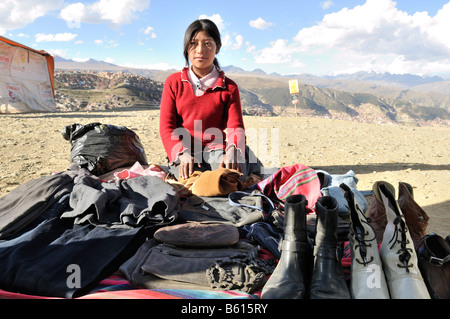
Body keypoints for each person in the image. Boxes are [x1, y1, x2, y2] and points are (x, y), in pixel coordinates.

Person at [159, 19, 259, 180]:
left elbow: (236, 127)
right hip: (184, 153)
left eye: (207, 43)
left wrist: (232, 151)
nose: (200, 50)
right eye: (193, 43)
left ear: (217, 48)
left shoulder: (229, 88)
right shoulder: (173, 83)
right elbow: (167, 128)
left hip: (216, 150)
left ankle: (245, 158)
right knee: (190, 182)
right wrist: (181, 153)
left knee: (229, 178)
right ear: (186, 47)